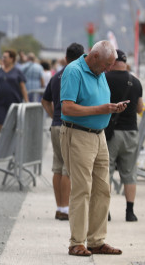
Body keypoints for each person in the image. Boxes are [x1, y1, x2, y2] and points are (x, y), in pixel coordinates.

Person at [59, 40, 124, 257]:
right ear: (94, 56)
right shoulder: (74, 71)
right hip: (78, 134)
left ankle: (96, 240)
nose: (108, 70)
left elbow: (96, 101)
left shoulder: (99, 71)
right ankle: (76, 242)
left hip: (99, 136)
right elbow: (67, 107)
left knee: (102, 189)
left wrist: (111, 109)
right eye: (106, 65)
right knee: (82, 189)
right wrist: (101, 109)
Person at [41, 42, 83, 221]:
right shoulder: (78, 75)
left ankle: (59, 206)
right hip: (70, 126)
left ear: (66, 58)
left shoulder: (56, 76)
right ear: (82, 58)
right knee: (67, 169)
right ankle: (66, 208)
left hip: (56, 124)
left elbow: (45, 100)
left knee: (57, 168)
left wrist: (53, 115)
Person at [104, 50, 144, 222]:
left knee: (106, 172)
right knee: (129, 173)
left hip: (109, 132)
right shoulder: (135, 82)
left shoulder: (103, 79)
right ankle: (130, 212)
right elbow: (140, 108)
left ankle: (106, 211)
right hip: (130, 131)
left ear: (112, 62)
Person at [0, 49, 28, 132]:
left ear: (12, 59)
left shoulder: (17, 72)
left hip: (14, 103)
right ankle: (5, 139)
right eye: (2, 57)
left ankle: (9, 142)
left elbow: (22, 87)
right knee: (0, 124)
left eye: (5, 57)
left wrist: (26, 100)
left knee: (13, 125)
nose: (3, 59)